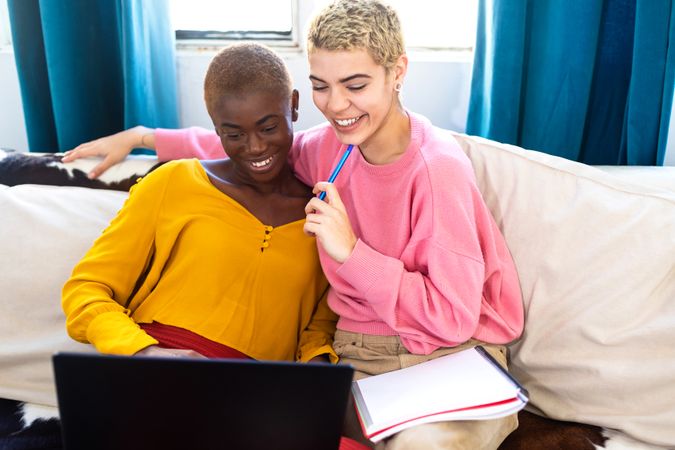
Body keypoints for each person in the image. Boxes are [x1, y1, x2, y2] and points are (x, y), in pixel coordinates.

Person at [64, 1, 524, 448]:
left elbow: (453, 318)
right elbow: (249, 144)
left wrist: (352, 253)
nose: (337, 104)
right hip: (359, 357)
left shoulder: (436, 170)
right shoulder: (326, 148)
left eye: (355, 84)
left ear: (398, 72)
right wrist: (145, 136)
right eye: (322, 85)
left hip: (451, 355)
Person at [62, 42, 338, 364]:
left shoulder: (322, 214)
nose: (255, 147)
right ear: (216, 125)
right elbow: (85, 290)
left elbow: (317, 331)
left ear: (293, 105)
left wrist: (316, 379)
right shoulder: (174, 182)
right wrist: (144, 351)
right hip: (155, 373)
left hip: (256, 395)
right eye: (234, 134)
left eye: (268, 127)